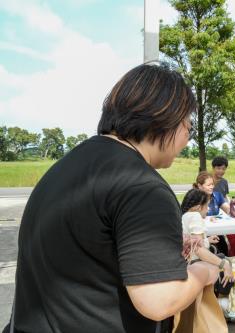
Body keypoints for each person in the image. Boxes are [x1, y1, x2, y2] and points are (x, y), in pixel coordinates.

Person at [3, 63, 219, 333]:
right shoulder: (144, 187)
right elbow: (159, 300)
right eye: (188, 125)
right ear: (166, 119)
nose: (188, 137)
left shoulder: (67, 166)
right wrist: (202, 272)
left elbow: (89, 250)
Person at [180, 189, 235, 319]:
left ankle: (234, 302)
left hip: (191, 263)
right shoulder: (195, 216)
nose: (209, 209)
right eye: (207, 205)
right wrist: (223, 264)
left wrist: (206, 240)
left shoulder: (185, 216)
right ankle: (230, 306)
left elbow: (192, 242)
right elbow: (198, 250)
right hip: (199, 264)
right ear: (199, 207)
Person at [194, 171, 231, 255]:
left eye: (212, 184)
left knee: (223, 250)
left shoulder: (217, 195)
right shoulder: (195, 198)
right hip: (201, 235)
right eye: (208, 185)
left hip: (216, 232)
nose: (211, 187)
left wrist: (230, 206)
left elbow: (227, 209)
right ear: (200, 186)